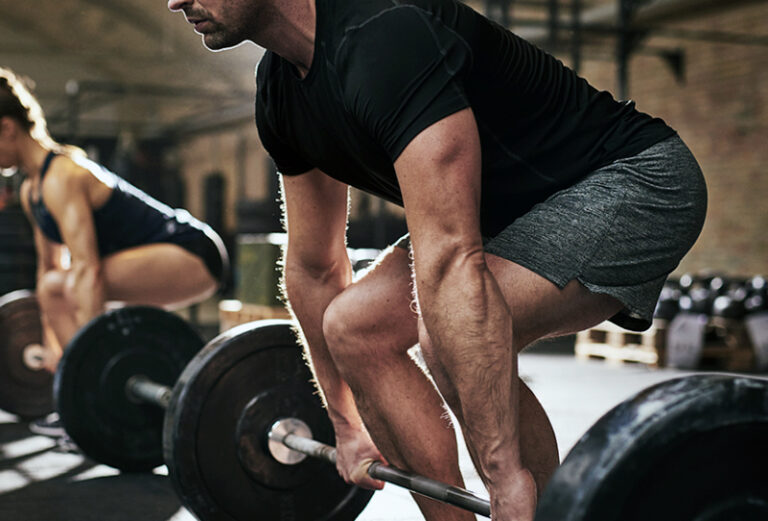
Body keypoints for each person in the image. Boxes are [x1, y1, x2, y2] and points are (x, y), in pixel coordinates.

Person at [167, 0, 707, 519]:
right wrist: (346, 423)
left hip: (633, 182)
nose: (175, 1)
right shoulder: (280, 94)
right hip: (506, 214)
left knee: (448, 335)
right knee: (354, 326)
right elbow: (314, 266)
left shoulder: (386, 35)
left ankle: (538, 507)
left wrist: (505, 476)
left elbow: (450, 258)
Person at [0, 67, 229, 431]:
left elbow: (87, 270)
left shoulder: (62, 176)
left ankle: (89, 391)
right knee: (53, 285)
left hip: (192, 252)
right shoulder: (32, 191)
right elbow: (47, 268)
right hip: (147, 262)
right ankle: (76, 398)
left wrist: (94, 363)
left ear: (8, 129)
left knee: (75, 282)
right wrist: (50, 343)